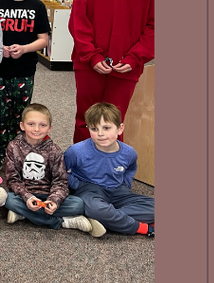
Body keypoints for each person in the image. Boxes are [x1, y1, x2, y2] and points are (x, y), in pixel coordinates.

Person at [68, 0, 154, 143]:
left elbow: (154, 27)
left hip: (126, 66)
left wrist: (135, 57)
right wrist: (92, 56)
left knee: (113, 121)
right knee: (86, 117)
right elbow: (78, 22)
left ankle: (109, 171)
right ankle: (81, 168)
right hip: (89, 63)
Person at [0, 0, 51, 167]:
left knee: (20, 115)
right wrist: (0, 49)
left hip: (24, 71)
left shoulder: (37, 6)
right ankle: (0, 152)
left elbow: (43, 39)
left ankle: (17, 153)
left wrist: (24, 49)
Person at [4, 103, 105, 235]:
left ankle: (24, 214)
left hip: (48, 196)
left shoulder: (54, 150)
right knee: (6, 199)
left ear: (49, 128)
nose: (36, 129)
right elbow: (12, 179)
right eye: (31, 124)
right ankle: (62, 221)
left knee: (79, 204)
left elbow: (61, 181)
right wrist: (27, 197)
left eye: (42, 125)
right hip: (23, 196)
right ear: (22, 125)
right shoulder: (13, 147)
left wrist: (54, 200)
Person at [63, 102, 154, 237]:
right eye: (94, 129)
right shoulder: (76, 151)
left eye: (106, 128)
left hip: (118, 190)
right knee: (97, 208)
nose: (100, 134)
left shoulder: (129, 152)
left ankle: (104, 217)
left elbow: (130, 168)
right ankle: (138, 226)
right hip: (89, 189)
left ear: (120, 129)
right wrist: (76, 184)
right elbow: (59, 170)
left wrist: (126, 184)